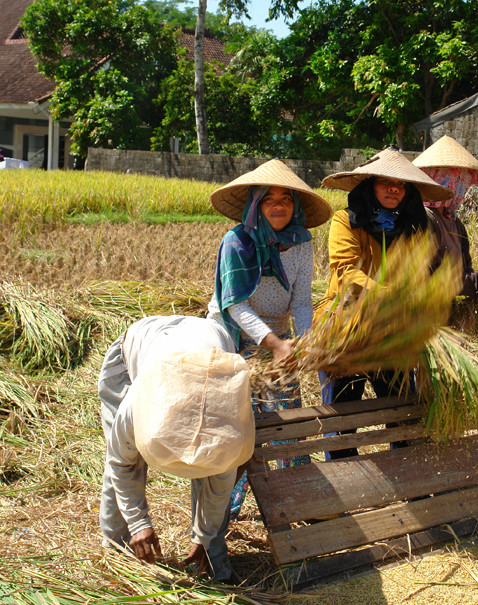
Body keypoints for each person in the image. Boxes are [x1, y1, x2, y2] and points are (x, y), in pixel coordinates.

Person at [207, 159, 331, 518]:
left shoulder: (301, 241)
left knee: (288, 422)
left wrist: (303, 343)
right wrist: (274, 344)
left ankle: (298, 502)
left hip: (280, 338)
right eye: (268, 199)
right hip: (234, 336)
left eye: (286, 199)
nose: (278, 206)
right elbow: (234, 304)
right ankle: (220, 516)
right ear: (254, 204)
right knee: (238, 427)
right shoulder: (237, 242)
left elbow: (302, 299)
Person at [318, 147, 453, 459]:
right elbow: (348, 273)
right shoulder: (345, 221)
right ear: (368, 186)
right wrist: (390, 295)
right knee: (343, 419)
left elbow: (418, 276)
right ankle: (343, 489)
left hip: (394, 332)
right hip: (347, 329)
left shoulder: (412, 229)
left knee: (400, 411)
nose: (394, 189)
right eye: (385, 183)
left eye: (401, 185)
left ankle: (408, 485)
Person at [98, 315, 253, 581]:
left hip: (209, 342)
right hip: (133, 352)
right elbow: (120, 463)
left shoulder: (229, 424)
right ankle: (117, 553)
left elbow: (218, 489)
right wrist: (138, 524)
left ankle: (212, 559)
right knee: (125, 460)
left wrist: (203, 538)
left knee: (214, 467)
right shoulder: (139, 403)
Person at [412, 135, 478, 299]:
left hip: (447, 312)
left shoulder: (455, 222)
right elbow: (428, 277)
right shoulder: (425, 219)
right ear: (442, 182)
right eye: (459, 181)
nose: (463, 190)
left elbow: (465, 268)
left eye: (466, 182)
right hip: (423, 315)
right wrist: (477, 281)